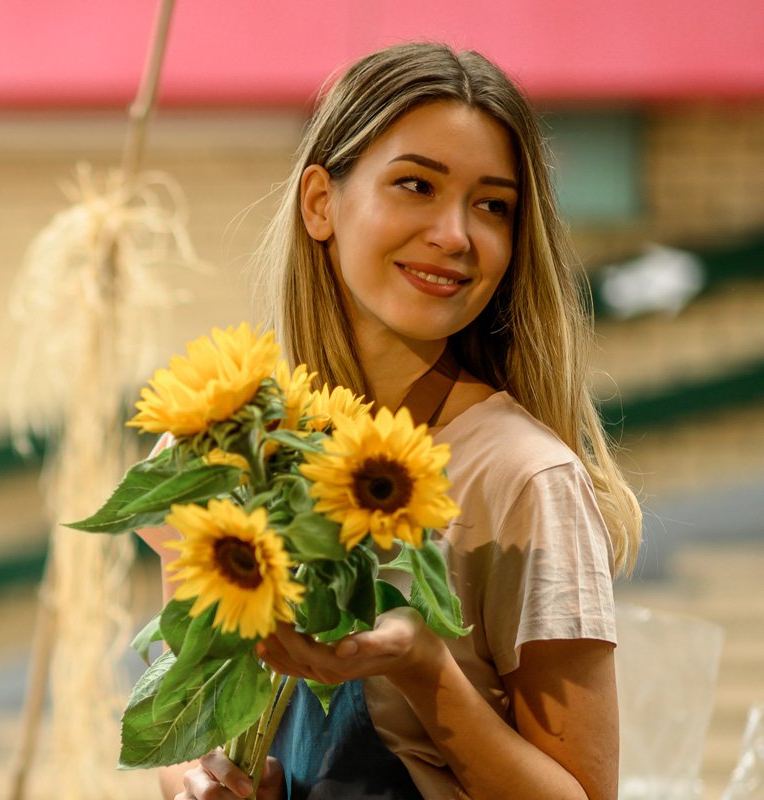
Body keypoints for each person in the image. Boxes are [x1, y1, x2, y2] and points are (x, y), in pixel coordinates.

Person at [142, 41, 642, 800]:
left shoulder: (521, 476)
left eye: (493, 206)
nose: (455, 235)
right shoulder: (230, 444)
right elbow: (191, 711)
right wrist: (198, 774)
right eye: (416, 185)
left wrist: (423, 669)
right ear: (321, 203)